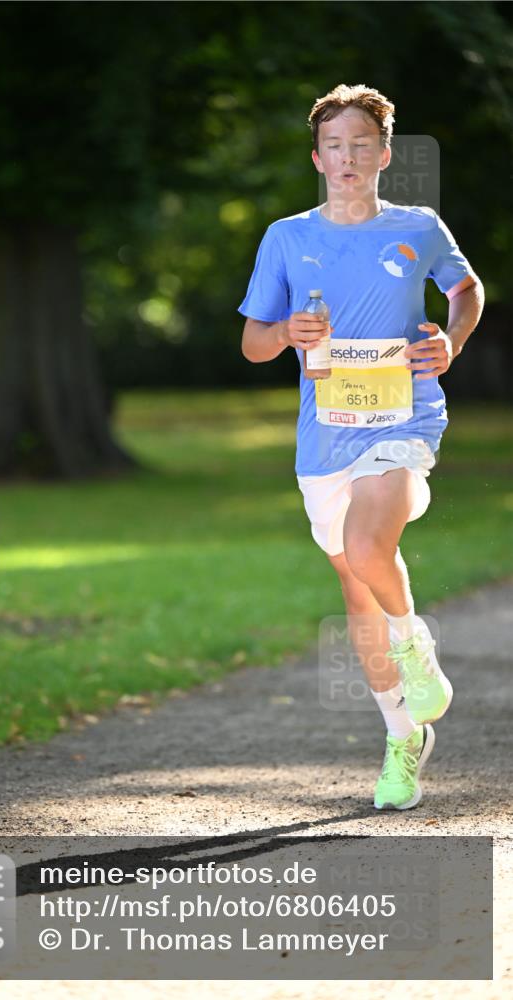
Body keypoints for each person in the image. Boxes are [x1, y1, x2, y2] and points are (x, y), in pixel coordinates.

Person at [237, 83, 485, 810]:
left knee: (370, 545)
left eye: (360, 145)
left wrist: (452, 339)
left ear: (382, 154)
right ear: (318, 158)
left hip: (405, 418)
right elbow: (251, 344)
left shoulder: (418, 227)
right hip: (325, 437)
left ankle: (415, 648)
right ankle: (402, 736)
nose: (347, 158)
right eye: (334, 147)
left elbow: (465, 291)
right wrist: (285, 334)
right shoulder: (287, 237)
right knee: (354, 584)